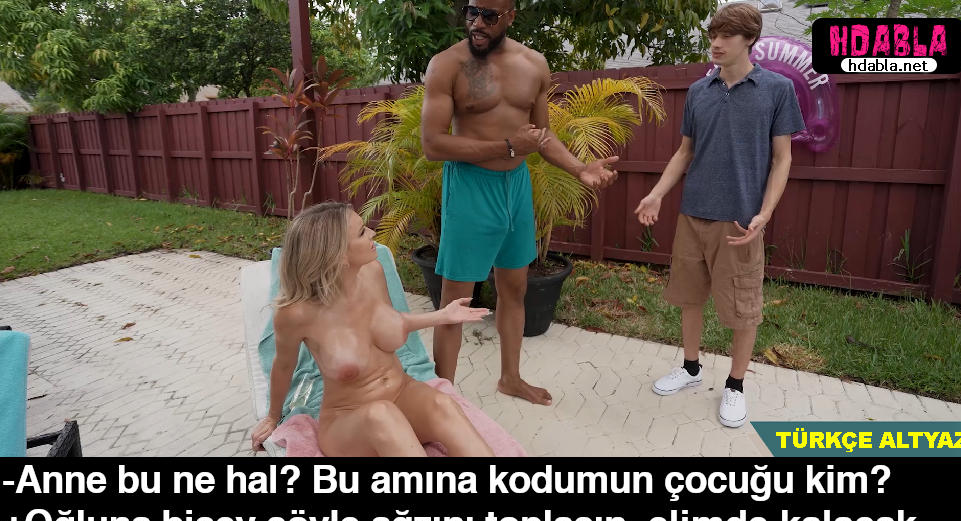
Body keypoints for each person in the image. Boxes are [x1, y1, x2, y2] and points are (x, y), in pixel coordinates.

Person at [421, 0, 619, 405]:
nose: (477, 23)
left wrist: (580, 169)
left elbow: (541, 136)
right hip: (470, 186)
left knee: (514, 288)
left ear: (510, 16)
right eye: (471, 12)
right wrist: (509, 145)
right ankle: (442, 399)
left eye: (489, 16)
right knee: (455, 302)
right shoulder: (446, 65)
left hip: (516, 187)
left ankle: (510, 378)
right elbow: (433, 144)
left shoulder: (534, 65)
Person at [634, 2, 804, 428]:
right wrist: (656, 194)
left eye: (726, 35)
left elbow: (782, 159)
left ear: (750, 39)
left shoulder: (777, 89)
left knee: (743, 307)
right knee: (689, 298)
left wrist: (765, 213)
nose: (716, 42)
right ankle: (691, 368)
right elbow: (684, 152)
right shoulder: (699, 91)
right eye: (713, 34)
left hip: (740, 221)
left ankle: (735, 385)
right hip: (693, 214)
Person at [250, 202, 495, 456]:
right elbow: (283, 366)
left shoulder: (373, 272)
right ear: (336, 253)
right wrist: (272, 417)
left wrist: (443, 315)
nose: (372, 233)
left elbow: (389, 323)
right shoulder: (296, 313)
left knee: (442, 404)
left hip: (402, 393)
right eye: (361, 232)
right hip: (348, 419)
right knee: (382, 415)